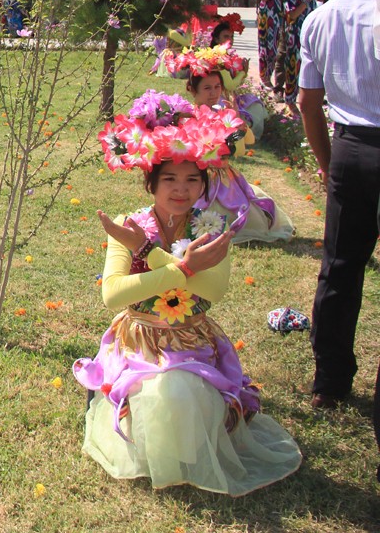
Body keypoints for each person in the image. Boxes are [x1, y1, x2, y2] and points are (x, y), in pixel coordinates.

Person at [75, 92, 302, 494]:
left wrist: (147, 254)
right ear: (151, 182)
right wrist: (182, 269)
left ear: (204, 184)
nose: (181, 190)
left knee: (181, 389)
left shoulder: (212, 228)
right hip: (138, 339)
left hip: (193, 340)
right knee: (163, 390)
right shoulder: (131, 223)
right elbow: (113, 295)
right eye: (170, 179)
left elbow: (212, 290)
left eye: (192, 179)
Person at [297, 0, 380, 460]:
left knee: (341, 265)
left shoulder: (324, 16)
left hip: (350, 148)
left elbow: (309, 101)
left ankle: (329, 379)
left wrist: (327, 163)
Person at [163, 49, 294, 244]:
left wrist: (237, 119)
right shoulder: (184, 117)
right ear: (192, 89)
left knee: (253, 219)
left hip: (224, 179)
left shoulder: (224, 113)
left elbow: (246, 143)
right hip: (195, 179)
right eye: (207, 88)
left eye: (217, 86)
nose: (214, 93)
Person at [275, 0, 319, 115]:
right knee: (293, 67)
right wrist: (304, 3)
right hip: (295, 35)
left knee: (310, 68)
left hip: (310, 35)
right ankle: (290, 101)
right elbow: (291, 14)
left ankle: (307, 99)